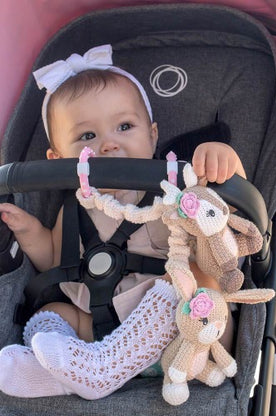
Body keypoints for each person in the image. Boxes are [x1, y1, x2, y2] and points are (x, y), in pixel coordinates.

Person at [0, 45, 246, 400]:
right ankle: (60, 374)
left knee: (194, 280)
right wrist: (29, 232)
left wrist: (224, 163)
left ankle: (101, 370)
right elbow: (56, 261)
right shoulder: (75, 210)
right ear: (57, 160)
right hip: (97, 330)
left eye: (124, 126)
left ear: (152, 135)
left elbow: (221, 220)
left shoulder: (174, 195)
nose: (109, 145)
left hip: (185, 338)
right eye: (87, 136)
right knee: (52, 312)